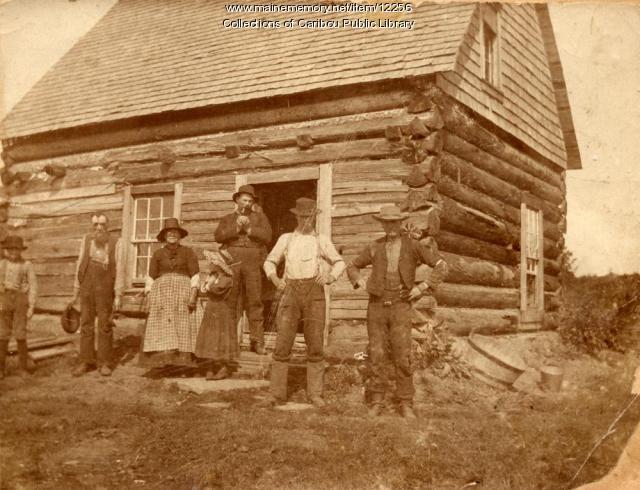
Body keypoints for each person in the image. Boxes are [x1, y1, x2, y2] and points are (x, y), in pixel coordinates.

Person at [346, 204, 448, 419]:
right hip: (376, 307)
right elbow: (352, 267)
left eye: (394, 222)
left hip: (401, 307)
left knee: (402, 355)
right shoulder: (374, 246)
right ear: (382, 224)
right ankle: (376, 401)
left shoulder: (413, 246)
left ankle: (405, 402)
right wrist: (360, 283)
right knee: (377, 354)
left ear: (400, 223)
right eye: (386, 222)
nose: (390, 226)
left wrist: (422, 287)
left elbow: (441, 265)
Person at [261, 197, 345, 408]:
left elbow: (340, 262)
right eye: (302, 217)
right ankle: (276, 394)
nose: (306, 221)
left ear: (313, 218)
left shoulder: (322, 240)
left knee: (315, 342)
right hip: (290, 291)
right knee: (283, 342)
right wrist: (275, 279)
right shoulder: (286, 239)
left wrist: (330, 277)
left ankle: (315, 394)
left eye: (309, 218)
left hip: (314, 293)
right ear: (296, 217)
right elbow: (270, 261)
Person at [215, 184, 272, 355]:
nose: (247, 204)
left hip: (253, 260)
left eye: (250, 201)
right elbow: (218, 236)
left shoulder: (260, 218)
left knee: (255, 301)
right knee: (230, 301)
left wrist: (249, 229)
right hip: (232, 262)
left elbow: (268, 237)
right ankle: (229, 341)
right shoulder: (227, 218)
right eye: (244, 200)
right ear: (237, 200)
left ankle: (258, 341)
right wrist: (237, 229)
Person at [142, 217, 201, 366]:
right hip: (162, 294)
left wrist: (193, 296)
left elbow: (195, 275)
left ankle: (183, 362)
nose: (172, 235)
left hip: (183, 292)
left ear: (180, 235)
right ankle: (165, 362)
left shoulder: (188, 252)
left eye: (175, 232)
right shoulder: (157, 254)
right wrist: (149, 297)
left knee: (183, 324)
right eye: (169, 232)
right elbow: (150, 278)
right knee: (164, 326)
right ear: (164, 235)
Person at [72, 214, 125, 377]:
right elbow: (80, 263)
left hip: (105, 287)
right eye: (95, 225)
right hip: (87, 285)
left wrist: (118, 294)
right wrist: (76, 288)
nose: (98, 228)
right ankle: (85, 361)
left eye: (102, 224)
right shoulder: (86, 239)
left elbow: (121, 268)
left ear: (107, 225)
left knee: (105, 325)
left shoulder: (117, 242)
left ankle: (104, 363)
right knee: (86, 323)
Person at [195, 249, 240, 380]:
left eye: (213, 262)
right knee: (210, 338)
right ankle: (210, 368)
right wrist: (209, 281)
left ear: (220, 264)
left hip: (222, 311)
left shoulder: (227, 278)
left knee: (221, 339)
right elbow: (204, 289)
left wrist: (209, 284)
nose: (211, 264)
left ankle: (223, 368)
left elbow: (216, 290)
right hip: (212, 309)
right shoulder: (215, 276)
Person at [0, 236, 37, 378]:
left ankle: (23, 368)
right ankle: (1, 369)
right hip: (4, 299)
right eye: (11, 249)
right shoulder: (1, 264)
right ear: (7, 250)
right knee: (2, 334)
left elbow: (33, 285)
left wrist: (31, 306)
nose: (13, 252)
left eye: (16, 249)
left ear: (20, 250)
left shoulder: (27, 265)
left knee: (20, 334)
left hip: (21, 300)